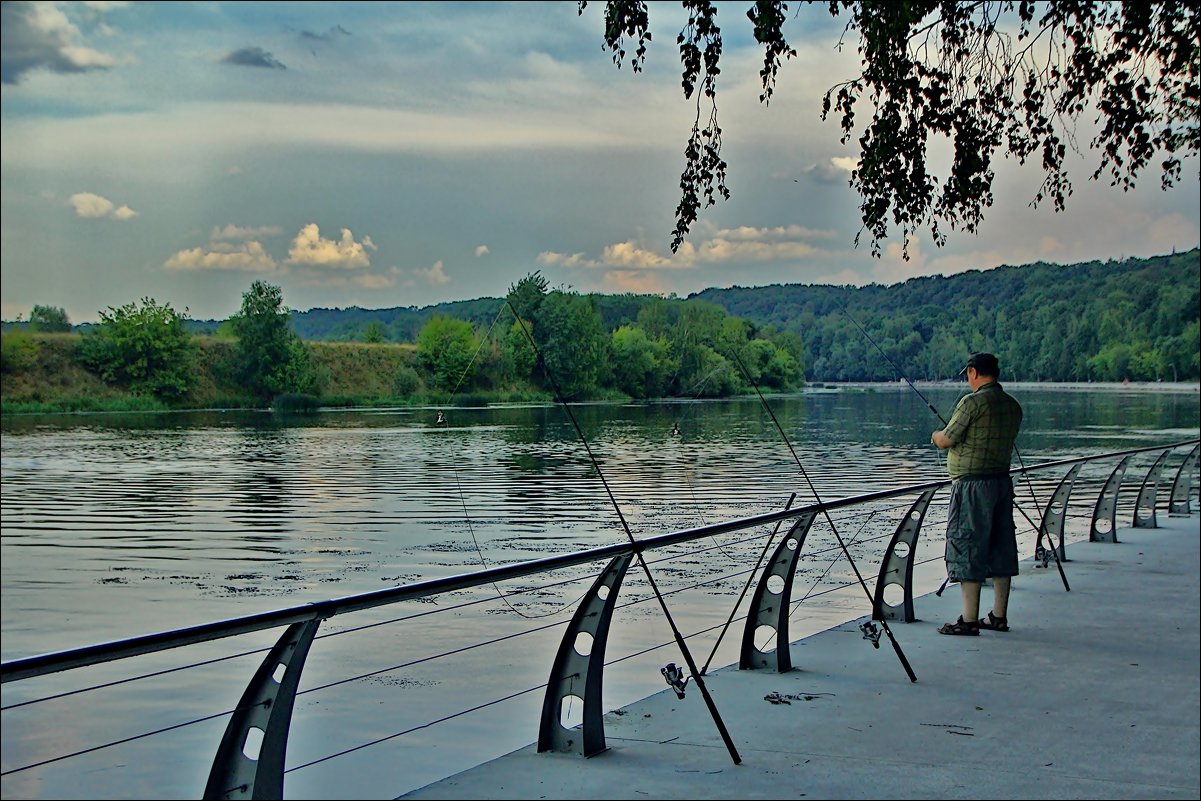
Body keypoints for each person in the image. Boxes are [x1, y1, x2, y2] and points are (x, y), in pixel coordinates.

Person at [930, 352, 1024, 636]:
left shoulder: (972, 403)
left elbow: (947, 439)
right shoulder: (1012, 405)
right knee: (1001, 546)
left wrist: (935, 435)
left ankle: (969, 620)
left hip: (971, 486)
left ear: (973, 372)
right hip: (1001, 483)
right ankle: (998, 616)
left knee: (966, 544)